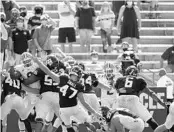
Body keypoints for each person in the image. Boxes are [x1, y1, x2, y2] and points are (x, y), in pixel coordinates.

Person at [32, 57, 102, 132]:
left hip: (64, 110)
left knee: (68, 127)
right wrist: (95, 112)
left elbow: (48, 72)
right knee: (87, 123)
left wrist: (38, 62)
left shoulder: (63, 79)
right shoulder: (79, 86)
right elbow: (83, 102)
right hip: (75, 108)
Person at [115, 65, 166, 130]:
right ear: (136, 73)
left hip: (120, 100)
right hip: (133, 100)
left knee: (116, 121)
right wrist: (161, 102)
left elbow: (115, 90)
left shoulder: (120, 79)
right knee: (149, 120)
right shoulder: (139, 80)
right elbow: (151, 93)